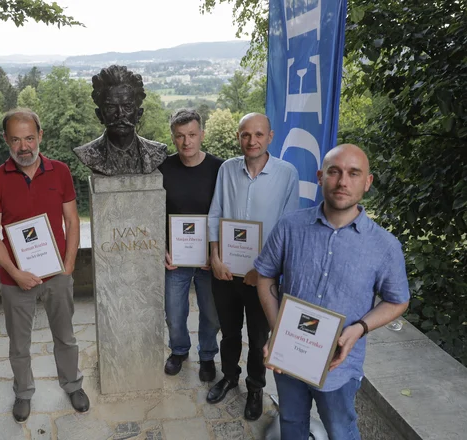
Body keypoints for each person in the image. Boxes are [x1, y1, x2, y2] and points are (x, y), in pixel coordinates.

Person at [255, 144, 410, 439]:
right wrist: (278, 331)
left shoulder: (385, 246)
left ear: (367, 182)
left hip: (339, 366)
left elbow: (397, 300)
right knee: (291, 423)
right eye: (334, 172)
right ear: (319, 176)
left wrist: (360, 329)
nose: (342, 182)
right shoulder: (290, 226)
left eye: (354, 174)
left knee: (341, 431)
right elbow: (265, 274)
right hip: (289, 357)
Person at [0, 108, 88, 424]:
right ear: (6, 140)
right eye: (16, 139)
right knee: (19, 343)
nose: (24, 146)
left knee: (65, 336)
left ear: (40, 136)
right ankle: (24, 393)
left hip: (57, 275)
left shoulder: (61, 172)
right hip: (15, 279)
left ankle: (72, 384)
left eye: (29, 137)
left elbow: (71, 220)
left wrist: (68, 266)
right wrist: (15, 273)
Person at [206, 113, 299, 421]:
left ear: (270, 137)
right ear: (238, 136)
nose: (252, 141)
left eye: (258, 135)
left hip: (263, 276)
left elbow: (288, 228)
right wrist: (215, 256)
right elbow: (216, 213)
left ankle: (256, 388)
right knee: (229, 332)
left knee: (258, 337)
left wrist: (264, 270)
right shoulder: (226, 169)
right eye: (246, 135)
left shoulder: (287, 174)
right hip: (226, 272)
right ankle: (229, 376)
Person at [159, 109, 223, 381]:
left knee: (212, 313)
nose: (187, 142)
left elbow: (227, 212)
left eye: (192, 135)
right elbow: (154, 211)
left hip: (210, 257)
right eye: (180, 136)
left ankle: (207, 355)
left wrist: (217, 251)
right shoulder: (162, 168)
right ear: (174, 138)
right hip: (176, 258)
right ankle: (179, 349)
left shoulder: (220, 168)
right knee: (174, 313)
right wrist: (160, 246)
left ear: (202, 135)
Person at [73, 64, 167, 175]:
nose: (120, 114)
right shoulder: (88, 154)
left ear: (139, 114)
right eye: (111, 107)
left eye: (127, 107)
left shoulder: (156, 152)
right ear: (99, 114)